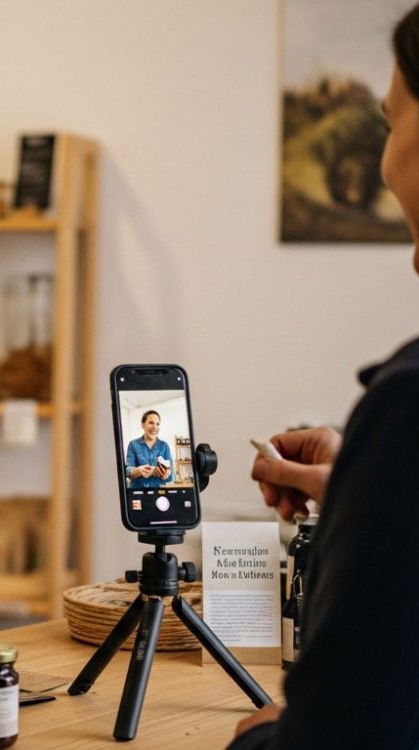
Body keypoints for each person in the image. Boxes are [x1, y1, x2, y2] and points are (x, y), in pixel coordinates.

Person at [229, 5, 419, 748]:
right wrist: (364, 488)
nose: (382, 159)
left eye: (391, 122)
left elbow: (343, 734)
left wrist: (263, 735)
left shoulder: (408, 402)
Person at [125, 410, 173, 488]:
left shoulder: (164, 446)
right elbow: (127, 470)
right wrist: (137, 471)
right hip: (137, 493)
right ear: (143, 425)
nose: (155, 427)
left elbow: (170, 476)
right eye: (151, 423)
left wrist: (165, 474)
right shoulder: (133, 444)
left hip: (158, 494)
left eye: (157, 424)